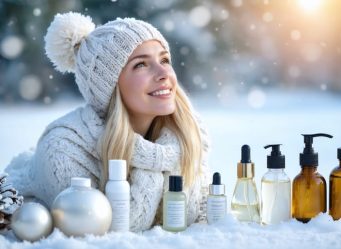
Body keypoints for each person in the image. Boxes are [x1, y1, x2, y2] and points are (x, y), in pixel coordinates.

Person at [5, 12, 210, 232]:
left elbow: (198, 214)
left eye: (164, 60)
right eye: (140, 64)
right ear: (110, 88)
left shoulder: (183, 137)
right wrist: (149, 164)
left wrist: (152, 158)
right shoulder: (63, 151)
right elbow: (99, 231)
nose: (163, 73)